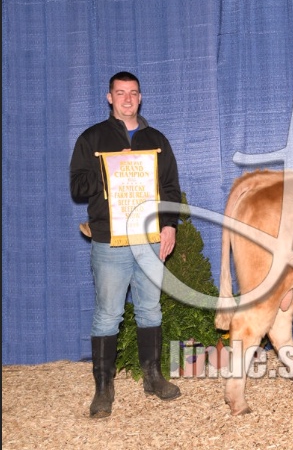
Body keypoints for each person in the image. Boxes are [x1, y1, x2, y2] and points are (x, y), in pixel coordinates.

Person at [70, 71, 181, 418]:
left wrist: (170, 226)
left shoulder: (157, 139)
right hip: (109, 239)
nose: (127, 99)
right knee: (108, 314)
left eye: (133, 93)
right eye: (120, 93)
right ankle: (103, 388)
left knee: (151, 309)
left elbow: (170, 189)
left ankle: (153, 377)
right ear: (109, 98)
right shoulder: (92, 138)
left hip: (149, 239)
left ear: (140, 97)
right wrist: (111, 167)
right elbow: (77, 187)